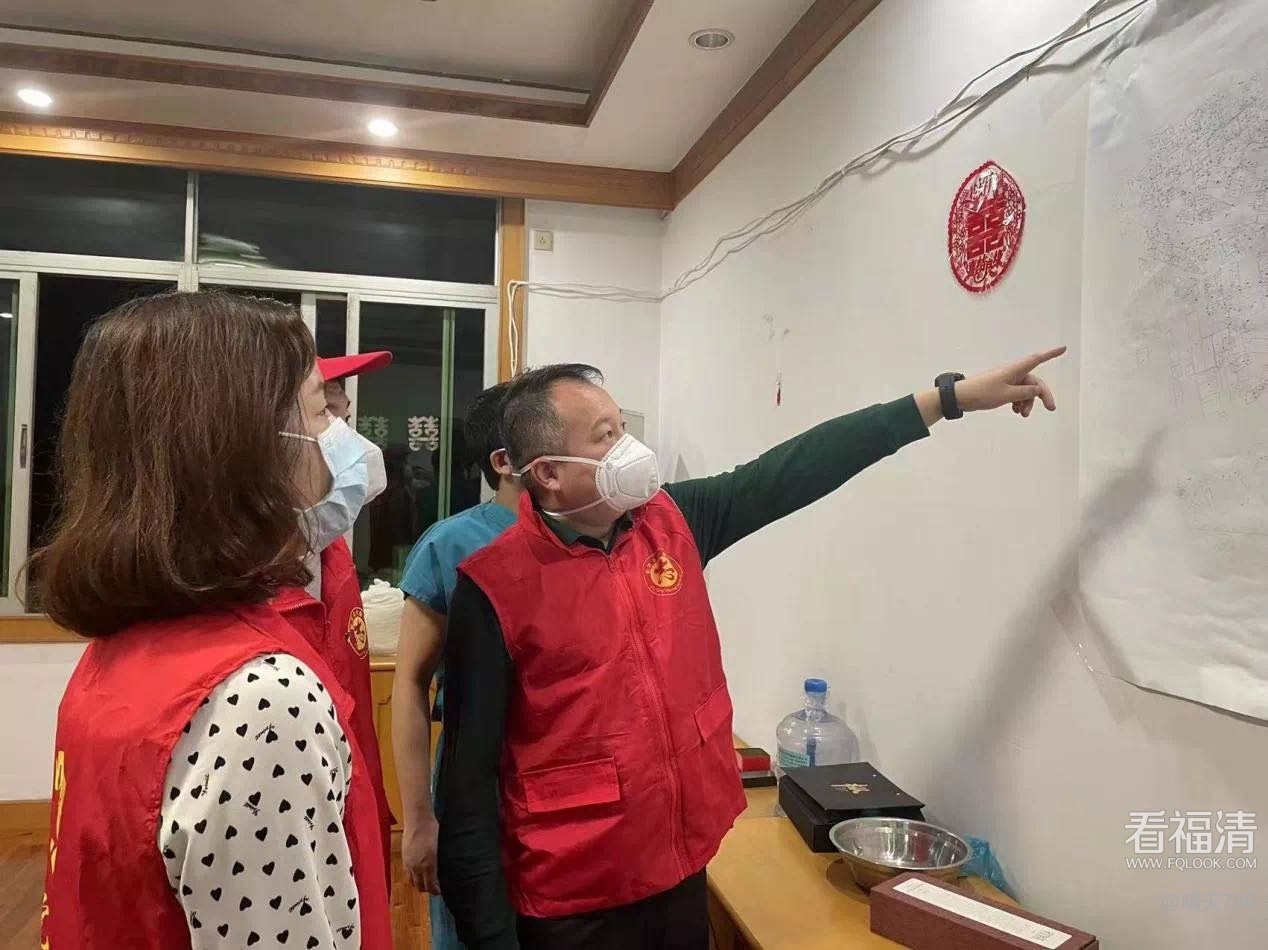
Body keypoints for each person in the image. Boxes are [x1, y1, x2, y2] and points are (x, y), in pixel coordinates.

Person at [437, 351, 1066, 949]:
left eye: (622, 426)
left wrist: (947, 399)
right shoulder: (495, 588)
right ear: (548, 473)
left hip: (681, 871)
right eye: (605, 436)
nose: (630, 449)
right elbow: (467, 788)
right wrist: (490, 936)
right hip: (573, 901)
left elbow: (795, 468)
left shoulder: (672, 524)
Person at [35, 291, 392, 949]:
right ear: (245, 449)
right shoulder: (261, 696)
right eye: (322, 412)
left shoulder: (135, 647)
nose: (344, 441)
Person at [392, 381, 520, 950]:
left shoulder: (590, 536)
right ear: (504, 460)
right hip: (478, 788)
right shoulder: (452, 545)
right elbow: (410, 683)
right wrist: (419, 820)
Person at [274, 348, 398, 885]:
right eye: (324, 412)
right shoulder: (241, 612)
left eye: (342, 412)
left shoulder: (330, 555)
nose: (354, 443)